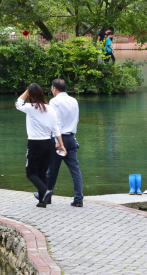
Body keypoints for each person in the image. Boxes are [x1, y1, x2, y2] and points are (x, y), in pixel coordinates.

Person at [15, 83, 66, 207]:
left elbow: (18, 103)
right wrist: (61, 144)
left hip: (35, 144)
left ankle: (45, 191)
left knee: (31, 173)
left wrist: (27, 90)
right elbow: (56, 129)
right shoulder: (50, 108)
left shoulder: (30, 107)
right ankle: (43, 201)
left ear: (31, 95)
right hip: (48, 143)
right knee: (42, 173)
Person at [45, 78, 84, 207]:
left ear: (54, 89)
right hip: (71, 138)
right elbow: (76, 119)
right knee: (75, 170)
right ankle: (78, 199)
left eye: (52, 88)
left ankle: (47, 197)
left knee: (52, 170)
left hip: (58, 138)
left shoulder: (54, 101)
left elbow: (55, 122)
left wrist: (57, 141)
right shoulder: (74, 100)